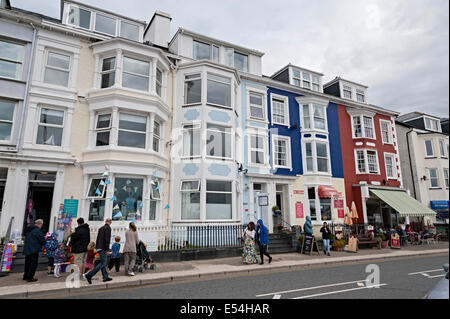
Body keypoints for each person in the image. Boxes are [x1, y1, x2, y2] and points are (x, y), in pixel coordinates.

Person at [83, 218, 113, 284]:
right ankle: (89, 275)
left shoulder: (101, 228)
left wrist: (97, 247)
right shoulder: (108, 228)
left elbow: (98, 238)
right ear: (110, 222)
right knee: (103, 263)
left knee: (103, 263)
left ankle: (105, 277)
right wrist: (107, 249)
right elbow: (107, 239)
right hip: (103, 248)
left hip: (99, 247)